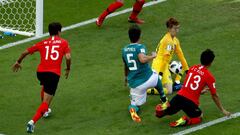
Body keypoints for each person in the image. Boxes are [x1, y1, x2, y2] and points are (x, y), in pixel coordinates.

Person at [12, 22, 71, 133]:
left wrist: (18, 61)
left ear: (49, 32)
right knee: (46, 101)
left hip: (40, 73)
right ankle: (32, 122)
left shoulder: (43, 42)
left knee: (45, 86)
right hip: (53, 75)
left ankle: (45, 110)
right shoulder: (64, 42)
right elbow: (68, 57)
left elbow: (25, 51)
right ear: (59, 32)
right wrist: (68, 68)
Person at [155, 49, 231, 127]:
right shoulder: (209, 76)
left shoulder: (192, 68)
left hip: (179, 96)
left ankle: (161, 111)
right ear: (210, 63)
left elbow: (188, 85)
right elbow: (214, 95)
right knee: (199, 116)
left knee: (170, 111)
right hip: (190, 102)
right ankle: (185, 120)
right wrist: (223, 110)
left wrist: (200, 91)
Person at [122, 24, 168, 122]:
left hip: (135, 84)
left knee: (134, 104)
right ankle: (164, 99)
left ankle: (133, 110)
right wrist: (153, 56)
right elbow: (142, 59)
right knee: (156, 77)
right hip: (149, 79)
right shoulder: (140, 47)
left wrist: (126, 78)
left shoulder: (124, 50)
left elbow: (126, 66)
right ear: (140, 36)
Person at [147, 17, 189, 95]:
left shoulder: (175, 40)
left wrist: (188, 72)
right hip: (159, 65)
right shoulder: (168, 41)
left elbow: (181, 56)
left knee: (169, 90)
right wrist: (160, 74)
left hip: (164, 65)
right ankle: (145, 90)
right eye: (175, 28)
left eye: (178, 28)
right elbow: (165, 60)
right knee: (168, 91)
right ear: (169, 29)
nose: (177, 31)